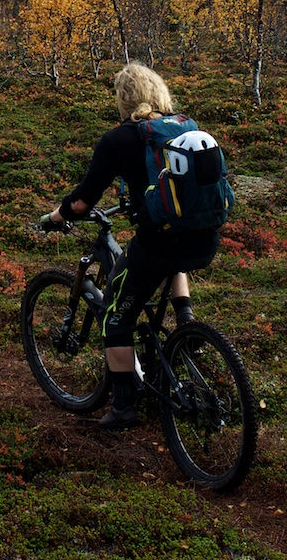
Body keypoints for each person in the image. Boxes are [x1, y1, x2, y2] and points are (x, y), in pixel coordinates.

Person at [45, 62, 220, 430]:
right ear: (158, 92)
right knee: (174, 251)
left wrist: (56, 216)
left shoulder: (119, 139)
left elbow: (82, 202)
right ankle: (186, 324)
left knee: (114, 314)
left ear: (122, 100)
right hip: (204, 240)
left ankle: (124, 405)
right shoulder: (186, 126)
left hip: (158, 244)